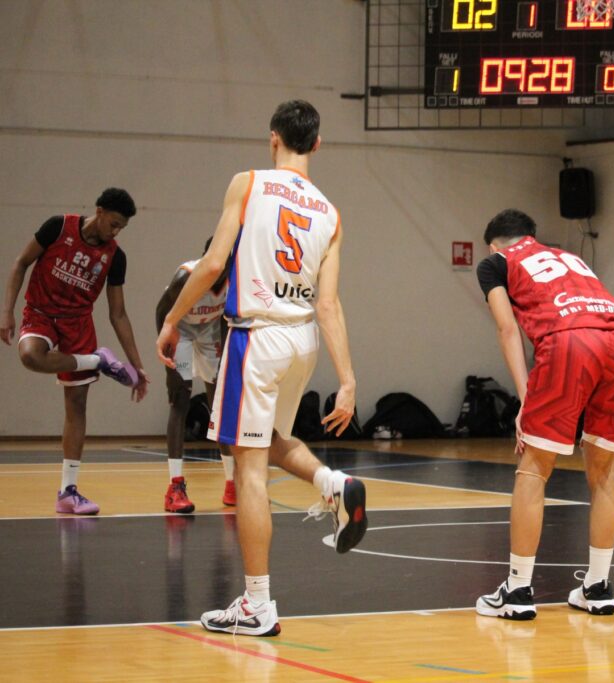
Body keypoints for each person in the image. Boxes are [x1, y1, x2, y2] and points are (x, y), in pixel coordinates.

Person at [156, 99, 367, 637]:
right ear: (316, 144)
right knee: (268, 440)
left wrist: (174, 320)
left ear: (273, 137)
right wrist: (347, 380)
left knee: (248, 468)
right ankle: (331, 481)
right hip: (303, 339)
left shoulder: (248, 183)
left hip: (257, 336)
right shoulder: (331, 212)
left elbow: (213, 263)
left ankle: (256, 603)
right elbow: (329, 304)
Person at [474, 209, 614, 620]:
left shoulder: (496, 263)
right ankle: (598, 587)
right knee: (604, 469)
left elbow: (507, 329)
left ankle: (517, 590)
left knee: (534, 467)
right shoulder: (569, 257)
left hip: (570, 342)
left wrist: (525, 396)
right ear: (532, 236)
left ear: (494, 246)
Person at [1, 188, 149, 516]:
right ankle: (98, 360)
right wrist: (7, 311)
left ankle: (68, 492)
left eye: (122, 227)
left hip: (77, 323)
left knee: (77, 404)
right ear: (99, 211)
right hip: (40, 313)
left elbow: (118, 313)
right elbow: (21, 263)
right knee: (30, 356)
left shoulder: (115, 257)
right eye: (113, 223)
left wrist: (137, 366)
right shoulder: (58, 227)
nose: (116, 231)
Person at [155, 238, 235, 513]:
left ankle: (232, 483)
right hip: (181, 331)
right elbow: (161, 310)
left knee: (219, 406)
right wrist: (166, 346)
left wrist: (225, 354)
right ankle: (175, 486)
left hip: (210, 331)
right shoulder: (186, 277)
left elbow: (227, 317)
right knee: (180, 399)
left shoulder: (235, 278)